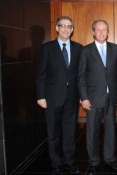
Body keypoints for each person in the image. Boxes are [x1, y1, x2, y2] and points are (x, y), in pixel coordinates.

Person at [36, 16, 83, 174]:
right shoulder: (47, 48)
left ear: (72, 29)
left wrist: (83, 95)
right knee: (54, 132)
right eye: (62, 26)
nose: (66, 29)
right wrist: (40, 96)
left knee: (70, 132)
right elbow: (41, 74)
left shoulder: (78, 48)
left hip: (72, 98)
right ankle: (55, 163)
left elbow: (81, 75)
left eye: (69, 26)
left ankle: (69, 161)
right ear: (57, 28)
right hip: (52, 98)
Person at [78, 20, 117, 174]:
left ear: (108, 31)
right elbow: (81, 76)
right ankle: (93, 162)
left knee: (111, 129)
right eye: (98, 30)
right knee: (92, 131)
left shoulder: (115, 49)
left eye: (104, 30)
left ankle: (110, 159)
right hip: (93, 98)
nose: (101, 32)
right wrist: (83, 97)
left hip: (111, 97)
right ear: (93, 32)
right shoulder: (86, 50)